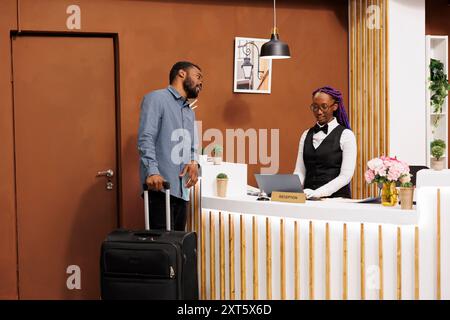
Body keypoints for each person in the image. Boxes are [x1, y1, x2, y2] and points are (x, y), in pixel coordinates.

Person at [138, 61, 203, 230]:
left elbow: (191, 145)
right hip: (160, 188)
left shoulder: (189, 110)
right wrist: (152, 171)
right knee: (162, 250)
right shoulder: (156, 98)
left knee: (177, 248)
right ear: (182, 74)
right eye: (198, 76)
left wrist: (194, 161)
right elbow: (146, 137)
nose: (201, 82)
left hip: (182, 191)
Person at [294, 86, 356, 199]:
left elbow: (345, 176)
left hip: (336, 201)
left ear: (335, 107)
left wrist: (319, 193)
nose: (319, 112)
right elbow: (300, 171)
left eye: (324, 106)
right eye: (315, 107)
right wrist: (291, 191)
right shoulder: (306, 134)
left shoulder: (346, 135)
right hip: (308, 199)